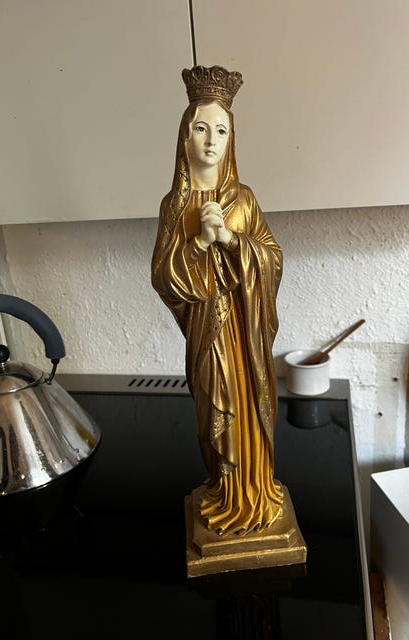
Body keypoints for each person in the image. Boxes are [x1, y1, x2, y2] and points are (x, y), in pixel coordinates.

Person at [151, 65, 284, 536]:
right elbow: (163, 277)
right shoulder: (174, 205)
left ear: (232, 141)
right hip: (207, 334)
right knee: (213, 412)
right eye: (201, 128)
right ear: (184, 136)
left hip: (244, 336)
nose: (211, 140)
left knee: (246, 410)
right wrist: (200, 244)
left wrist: (229, 239)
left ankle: (254, 492)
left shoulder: (243, 199)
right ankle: (225, 490)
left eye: (221, 131)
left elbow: (272, 258)